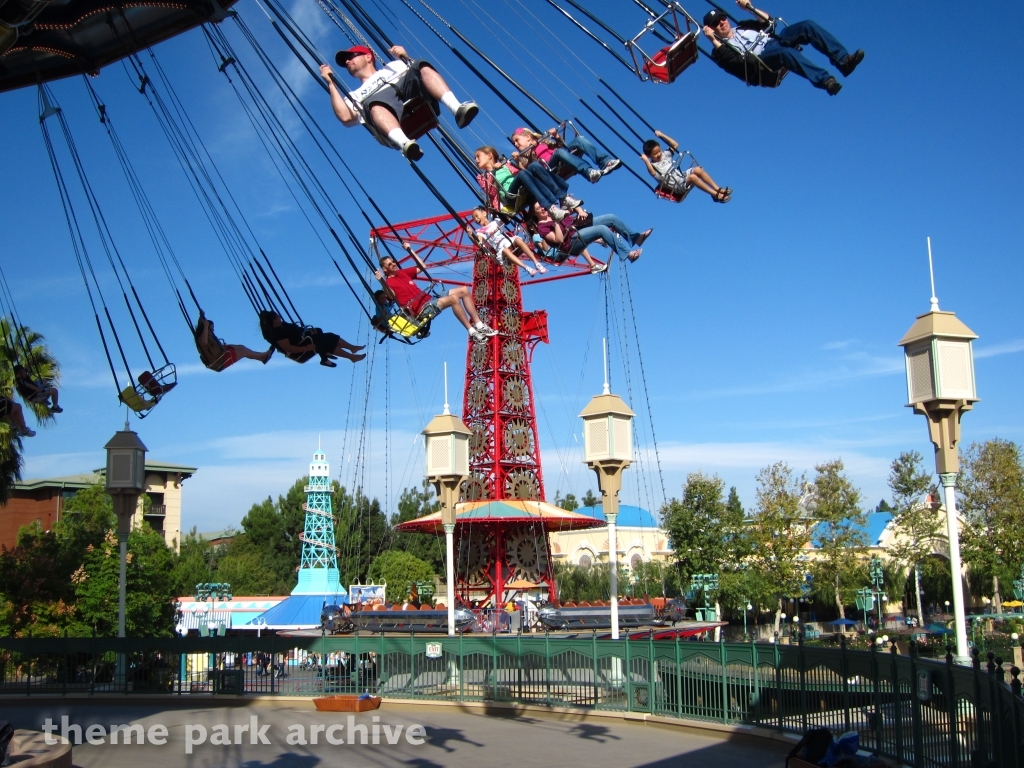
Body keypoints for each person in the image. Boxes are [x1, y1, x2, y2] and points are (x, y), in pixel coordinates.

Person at [320, 45, 478, 161]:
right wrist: (330, 83)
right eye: (346, 60)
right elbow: (345, 117)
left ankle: (457, 109)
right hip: (387, 115)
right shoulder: (354, 95)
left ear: (368, 56)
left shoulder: (393, 67)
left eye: (352, 56)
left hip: (413, 98)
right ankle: (405, 144)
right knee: (373, 103)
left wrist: (406, 56)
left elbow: (423, 73)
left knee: (420, 64)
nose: (347, 61)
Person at [703, 1, 863, 95]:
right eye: (716, 23)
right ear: (711, 28)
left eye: (722, 18)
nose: (722, 23)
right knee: (783, 53)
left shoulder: (743, 26)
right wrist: (712, 40)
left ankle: (843, 61)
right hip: (761, 63)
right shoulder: (719, 51)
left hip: (775, 42)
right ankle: (825, 80)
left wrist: (750, 8)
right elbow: (734, 62)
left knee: (807, 26)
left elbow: (768, 22)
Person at [375, 242, 497, 343]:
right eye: (390, 264)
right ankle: (472, 331)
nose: (394, 265)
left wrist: (410, 250)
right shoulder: (389, 283)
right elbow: (390, 295)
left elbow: (422, 266)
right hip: (421, 309)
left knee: (463, 290)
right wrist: (381, 281)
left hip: (429, 298)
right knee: (453, 299)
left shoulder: (402, 273)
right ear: (385, 269)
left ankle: (479, 324)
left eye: (393, 262)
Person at [474, 146, 579, 221]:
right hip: (509, 196)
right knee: (524, 174)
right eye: (475, 158)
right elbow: (491, 193)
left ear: (489, 155)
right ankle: (550, 206)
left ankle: (563, 197)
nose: (476, 160)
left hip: (521, 188)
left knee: (534, 166)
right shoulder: (482, 177)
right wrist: (493, 173)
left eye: (478, 156)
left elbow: (521, 172)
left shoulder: (505, 164)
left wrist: (517, 161)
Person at [532, 203, 652, 265]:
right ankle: (628, 254)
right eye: (539, 209)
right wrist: (556, 223)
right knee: (602, 229)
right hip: (571, 242)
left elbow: (571, 208)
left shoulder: (554, 212)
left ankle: (636, 238)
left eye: (542, 206)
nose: (543, 209)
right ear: (535, 213)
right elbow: (558, 240)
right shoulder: (542, 227)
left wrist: (578, 210)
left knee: (611, 218)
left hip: (578, 226)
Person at [640, 131, 731, 202]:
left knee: (698, 170)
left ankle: (717, 188)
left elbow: (675, 144)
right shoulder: (653, 165)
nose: (658, 154)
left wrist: (661, 135)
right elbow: (652, 172)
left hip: (682, 177)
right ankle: (715, 194)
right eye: (655, 154)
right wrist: (646, 160)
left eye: (659, 151)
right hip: (677, 187)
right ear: (649, 156)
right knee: (692, 177)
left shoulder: (665, 155)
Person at [510, 126, 621, 184]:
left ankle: (605, 162)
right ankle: (588, 172)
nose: (515, 144)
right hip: (550, 167)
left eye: (517, 140)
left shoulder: (542, 141)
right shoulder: (523, 156)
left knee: (579, 140)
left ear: (528, 137)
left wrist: (556, 136)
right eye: (514, 143)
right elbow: (528, 172)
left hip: (561, 155)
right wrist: (518, 160)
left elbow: (560, 146)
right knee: (559, 153)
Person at [259, 312, 366, 367]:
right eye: (277, 317)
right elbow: (289, 348)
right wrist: (306, 347)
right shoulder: (278, 334)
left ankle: (351, 348)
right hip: (300, 351)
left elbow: (298, 330)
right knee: (324, 342)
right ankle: (350, 357)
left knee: (328, 335)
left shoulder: (283, 325)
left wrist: (310, 331)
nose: (280, 318)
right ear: (273, 321)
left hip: (304, 341)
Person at [466, 206, 546, 277]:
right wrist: (470, 236)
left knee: (518, 240)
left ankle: (537, 263)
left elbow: (508, 218)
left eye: (477, 216)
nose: (476, 219)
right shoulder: (480, 232)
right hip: (501, 249)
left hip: (508, 241)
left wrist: (498, 210)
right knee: (505, 250)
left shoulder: (495, 221)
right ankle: (527, 268)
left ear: (484, 213)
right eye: (474, 219)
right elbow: (479, 243)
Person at [194, 312, 273, 371]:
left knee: (241, 347)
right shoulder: (202, 338)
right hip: (219, 361)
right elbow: (204, 342)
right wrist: (206, 326)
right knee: (243, 351)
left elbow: (201, 323)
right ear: (206, 329)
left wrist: (201, 316)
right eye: (211, 329)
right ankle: (263, 357)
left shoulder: (206, 335)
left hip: (220, 354)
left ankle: (262, 357)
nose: (213, 331)